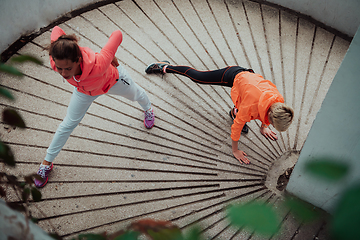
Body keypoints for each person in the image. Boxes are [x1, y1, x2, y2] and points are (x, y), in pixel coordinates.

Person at [34, 26, 155, 188]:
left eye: (68, 68)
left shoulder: (99, 63)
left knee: (136, 95)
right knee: (67, 125)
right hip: (84, 92)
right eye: (59, 68)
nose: (63, 73)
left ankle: (148, 109)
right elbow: (56, 29)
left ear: (78, 60)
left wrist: (110, 55)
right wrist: (62, 42)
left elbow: (117, 34)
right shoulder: (56, 59)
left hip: (113, 82)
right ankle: (46, 164)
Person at [145, 62, 293, 164]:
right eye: (272, 124)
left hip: (249, 88)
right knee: (198, 77)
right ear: (271, 118)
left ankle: (235, 111)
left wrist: (263, 127)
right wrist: (235, 150)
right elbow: (236, 128)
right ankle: (165, 67)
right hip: (234, 75)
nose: (270, 125)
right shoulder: (250, 107)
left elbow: (268, 111)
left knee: (245, 111)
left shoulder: (278, 102)